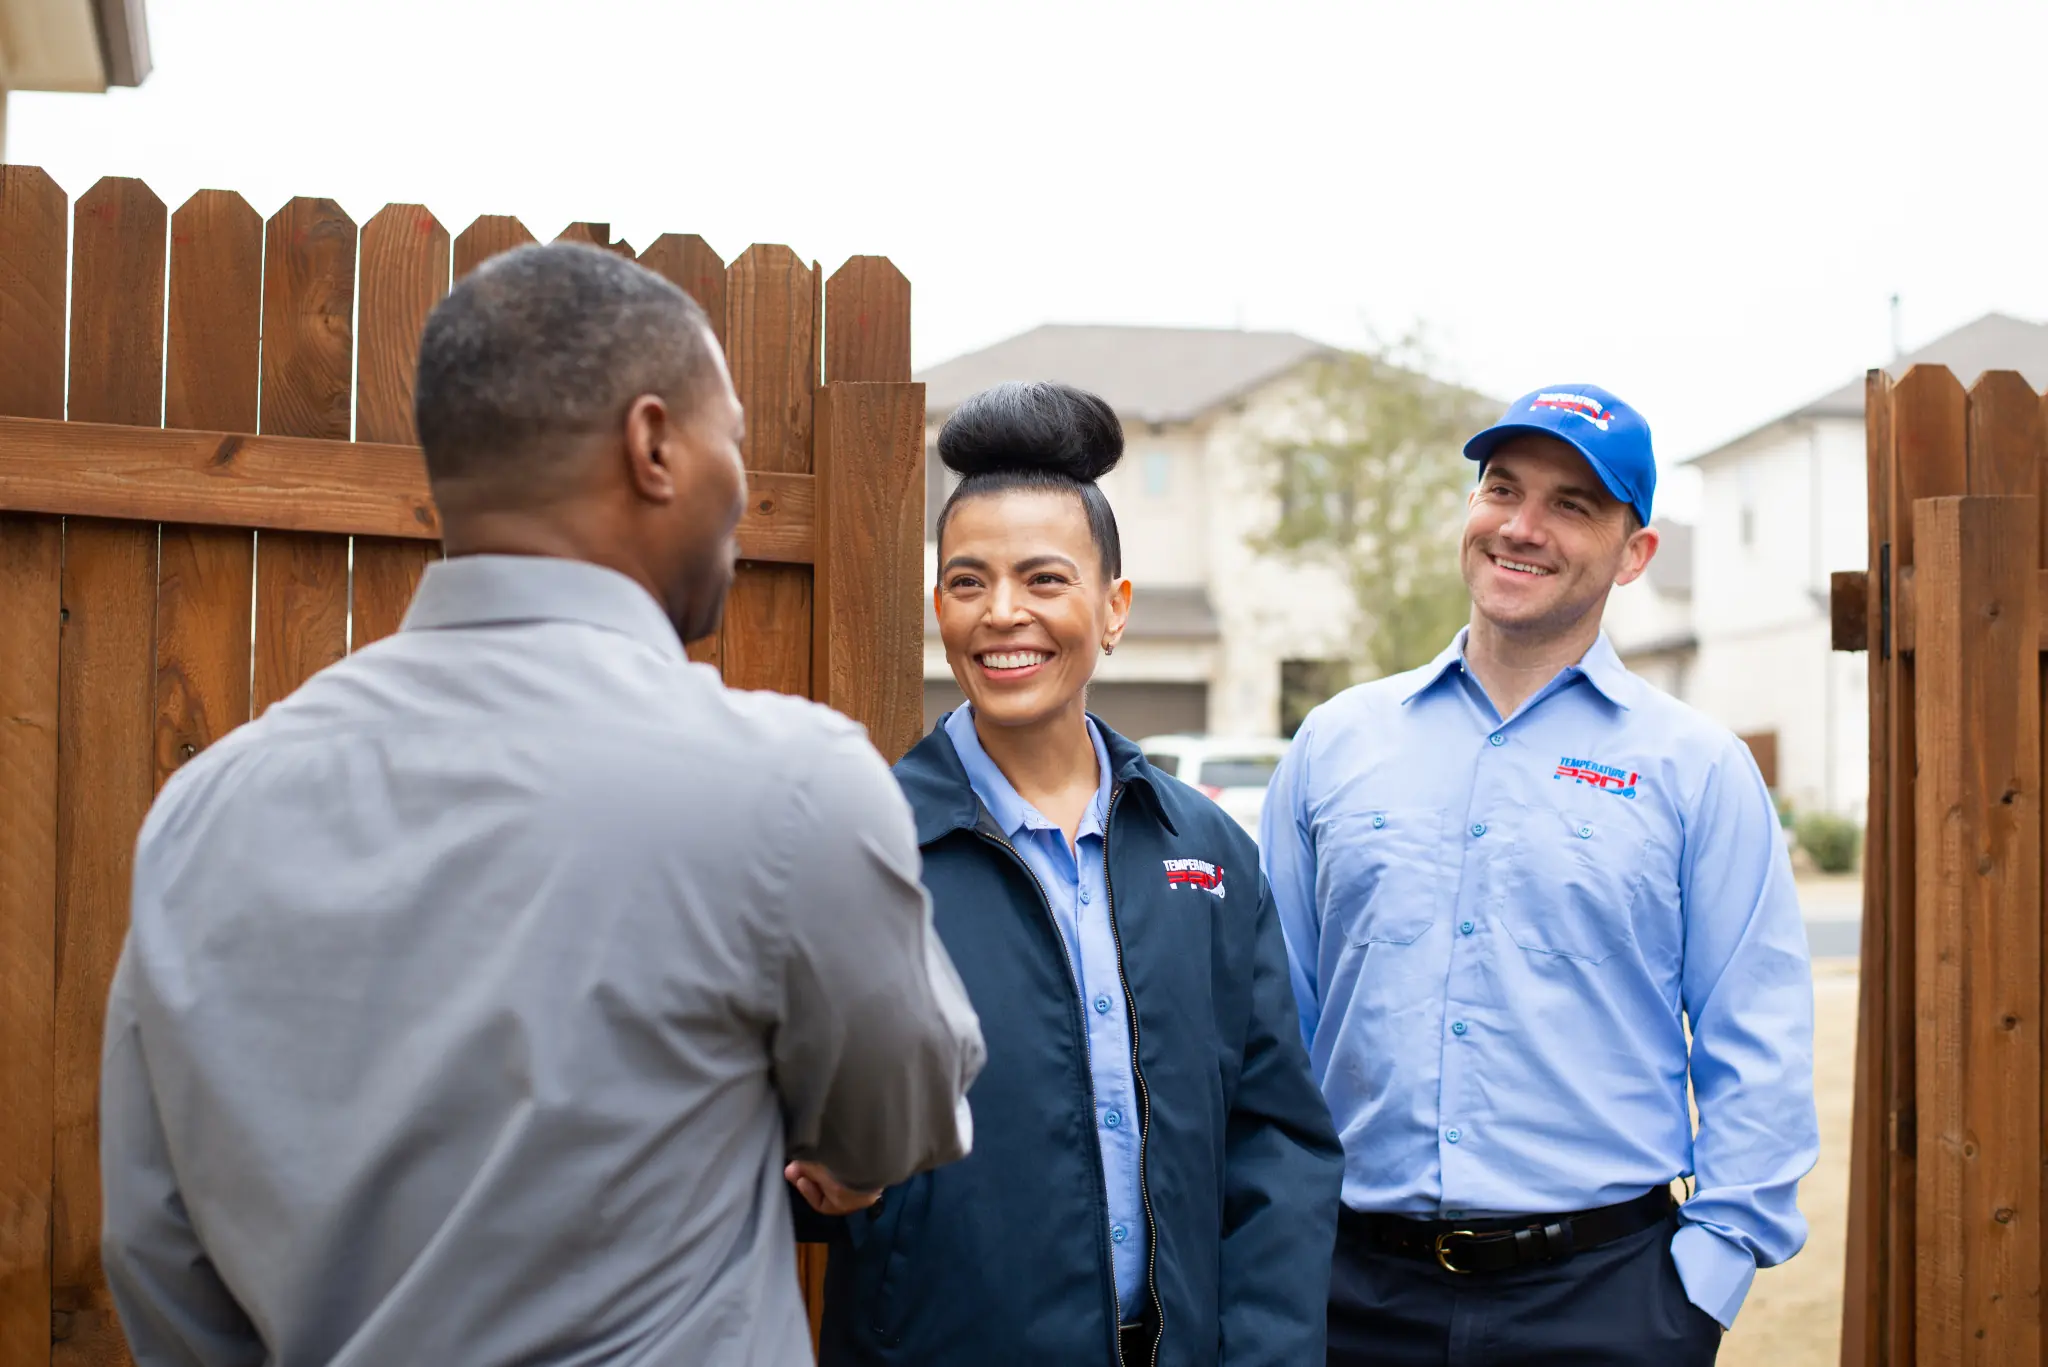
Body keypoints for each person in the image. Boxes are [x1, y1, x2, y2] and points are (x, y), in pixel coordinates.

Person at [97, 242, 986, 1367]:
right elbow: (894, 1118)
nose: (742, 494)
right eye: (736, 445)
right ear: (654, 444)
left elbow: (153, 1250)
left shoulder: (204, 813)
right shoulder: (787, 785)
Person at [1261, 384, 1818, 1366]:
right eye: (1500, 488)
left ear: (1633, 550)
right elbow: (1272, 1027)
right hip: (1348, 1297)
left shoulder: (1694, 768)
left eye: (1570, 504)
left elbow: (1755, 1043)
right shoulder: (1333, 743)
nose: (1521, 526)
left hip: (1604, 1304)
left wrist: (1699, 1290)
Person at [788, 381, 1343, 1366]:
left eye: (1043, 579)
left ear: (1112, 606)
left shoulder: (1205, 851)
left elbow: (1275, 1145)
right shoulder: (860, 847)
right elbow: (779, 1145)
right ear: (938, 606)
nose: (1003, 614)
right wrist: (836, 1187)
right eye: (967, 582)